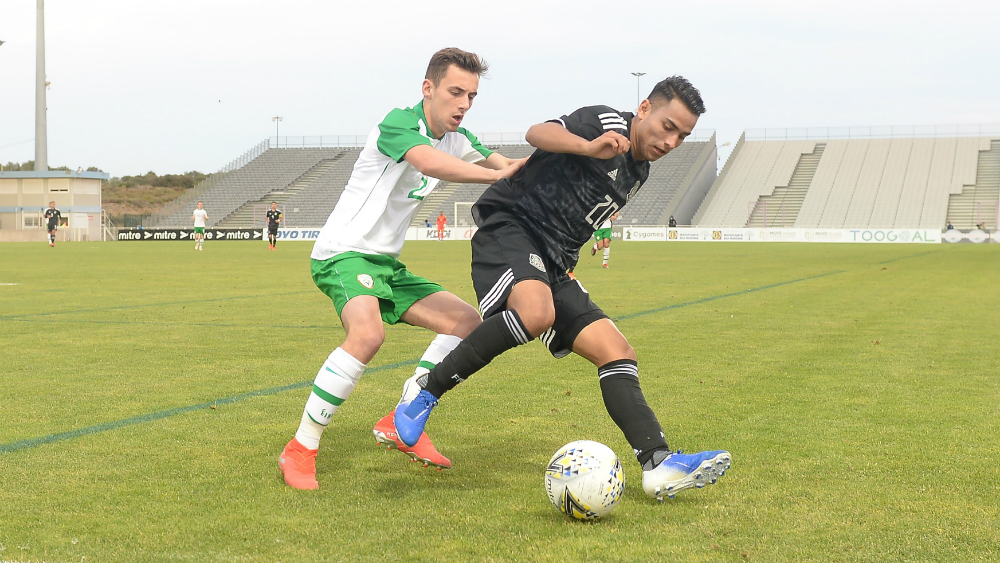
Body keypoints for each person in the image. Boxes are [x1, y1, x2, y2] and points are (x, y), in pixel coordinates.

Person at [391, 76, 731, 502]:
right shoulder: (604, 121)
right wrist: (588, 147)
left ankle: (657, 463)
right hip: (511, 228)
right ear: (644, 109)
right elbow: (537, 134)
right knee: (536, 314)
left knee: (617, 351)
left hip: (555, 262)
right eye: (668, 126)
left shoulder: (638, 169)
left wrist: (566, 266)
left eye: (683, 135)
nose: (673, 141)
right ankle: (426, 391)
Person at [277, 47, 526, 490]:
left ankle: (401, 416)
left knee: (467, 321)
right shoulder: (398, 123)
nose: (464, 104)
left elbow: (510, 167)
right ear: (428, 89)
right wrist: (494, 177)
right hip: (343, 254)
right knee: (368, 335)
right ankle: (300, 448)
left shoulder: (460, 138)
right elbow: (430, 162)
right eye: (455, 92)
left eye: (471, 95)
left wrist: (577, 155)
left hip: (385, 264)